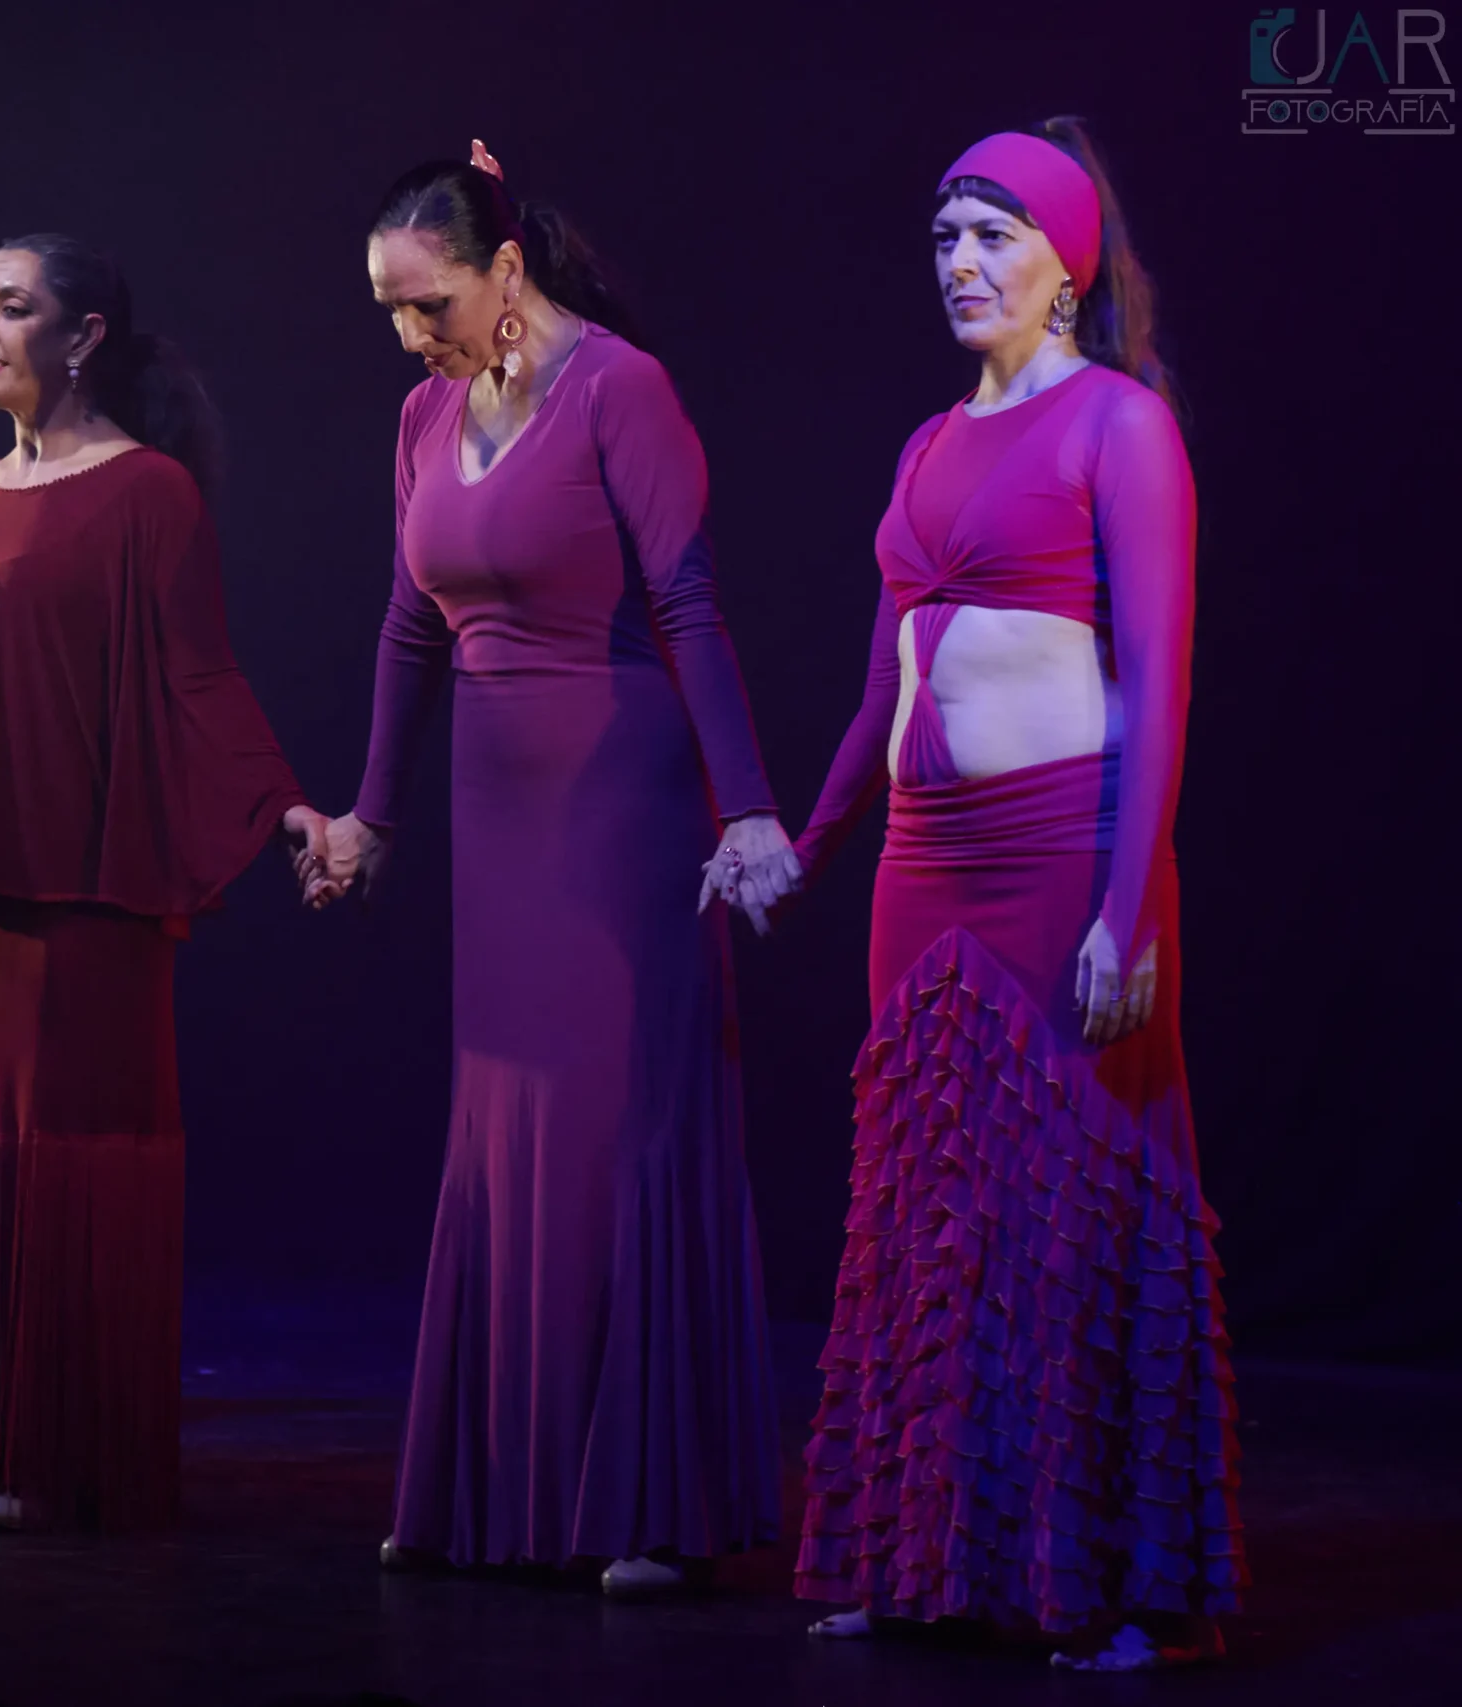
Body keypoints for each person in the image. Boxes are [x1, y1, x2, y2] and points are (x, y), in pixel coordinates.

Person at [766, 121, 1243, 1671]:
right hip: (926, 863)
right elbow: (877, 687)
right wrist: (808, 840)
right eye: (946, 238)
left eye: (994, 236)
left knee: (1062, 1199)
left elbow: (1159, 685)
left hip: (1062, 856)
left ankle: (1094, 1579)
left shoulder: (1120, 426)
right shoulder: (924, 444)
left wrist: (1131, 909)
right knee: (928, 1204)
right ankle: (920, 1557)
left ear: (1066, 266)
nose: (963, 264)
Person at [304, 143, 796, 1596]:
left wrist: (747, 810)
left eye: (430, 300)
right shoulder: (421, 414)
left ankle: (640, 1493)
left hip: (620, 798)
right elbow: (409, 630)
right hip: (491, 812)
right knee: (509, 1120)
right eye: (390, 310)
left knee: (613, 1121)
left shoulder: (618, 390)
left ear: (505, 267)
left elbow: (691, 605)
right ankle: (494, 1485)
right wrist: (371, 817)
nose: (412, 333)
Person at [0, 234, 325, 1532]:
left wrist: (284, 810)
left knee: (63, 1145)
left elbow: (198, 675)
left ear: (86, 333)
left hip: (79, 902)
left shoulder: (148, 492)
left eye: (14, 306)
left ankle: (51, 1449)